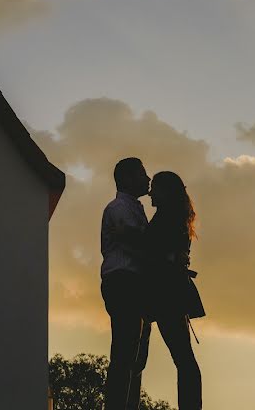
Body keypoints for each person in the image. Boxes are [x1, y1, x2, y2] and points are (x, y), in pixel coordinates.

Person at [146, 171, 203, 410]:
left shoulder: (166, 218)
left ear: (166, 192)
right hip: (173, 291)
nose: (151, 193)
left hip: (167, 292)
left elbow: (156, 253)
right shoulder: (175, 217)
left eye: (155, 188)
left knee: (183, 357)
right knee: (183, 357)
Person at [101, 157, 152, 410]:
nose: (148, 178)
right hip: (124, 281)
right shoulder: (119, 208)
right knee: (125, 352)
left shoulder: (132, 207)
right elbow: (134, 241)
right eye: (143, 173)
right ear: (128, 178)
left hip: (133, 283)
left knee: (135, 355)